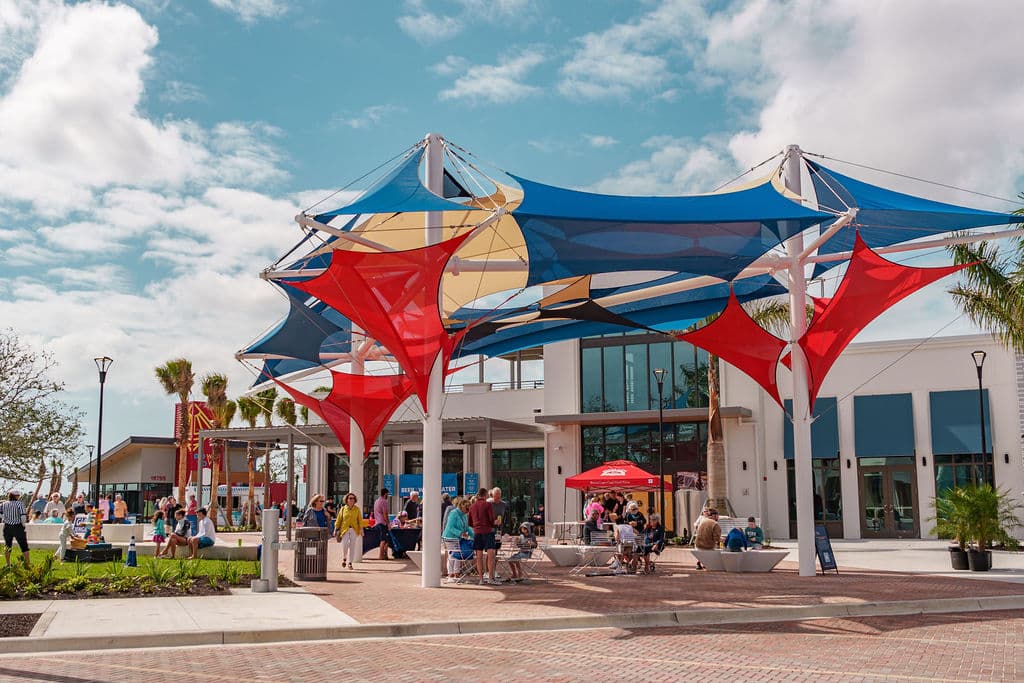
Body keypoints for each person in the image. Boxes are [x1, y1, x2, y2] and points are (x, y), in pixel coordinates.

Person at [468, 487, 497, 584]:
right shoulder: (487, 505)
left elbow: (470, 522)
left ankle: (481, 579)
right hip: (488, 531)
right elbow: (491, 519)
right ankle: (490, 578)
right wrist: (495, 522)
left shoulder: (472, 506)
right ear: (485, 495)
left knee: (479, 556)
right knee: (490, 555)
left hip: (477, 532)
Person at [442, 498, 474, 580]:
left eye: (469, 509)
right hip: (450, 537)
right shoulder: (453, 513)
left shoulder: (464, 515)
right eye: (467, 509)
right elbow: (450, 527)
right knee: (452, 555)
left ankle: (456, 573)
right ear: (462, 507)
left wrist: (474, 535)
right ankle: (450, 574)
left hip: (458, 538)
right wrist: (460, 533)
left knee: (458, 555)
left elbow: (467, 528)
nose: (468, 511)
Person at [1, 491, 30, 568]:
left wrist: (6, 519)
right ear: (15, 496)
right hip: (18, 526)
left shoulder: (3, 504)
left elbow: (0, 514)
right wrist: (23, 525)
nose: (18, 496)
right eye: (18, 495)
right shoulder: (19, 504)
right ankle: (28, 564)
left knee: (7, 545)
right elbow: (23, 516)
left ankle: (8, 564)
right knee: (24, 546)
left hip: (7, 527)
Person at [334, 492, 362, 570]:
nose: (352, 500)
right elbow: (339, 520)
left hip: (354, 529)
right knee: (345, 545)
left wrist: (361, 529)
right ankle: (344, 557)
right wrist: (335, 529)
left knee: (353, 546)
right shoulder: (343, 509)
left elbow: (360, 520)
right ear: (346, 500)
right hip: (344, 530)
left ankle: (350, 562)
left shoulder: (357, 509)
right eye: (350, 498)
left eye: (353, 498)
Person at [373, 488, 390, 560]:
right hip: (382, 523)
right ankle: (381, 555)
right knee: (384, 540)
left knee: (385, 540)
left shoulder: (376, 501)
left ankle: (385, 555)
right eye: (387, 494)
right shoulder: (384, 501)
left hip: (377, 522)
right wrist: (388, 523)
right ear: (385, 494)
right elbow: (385, 514)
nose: (388, 496)